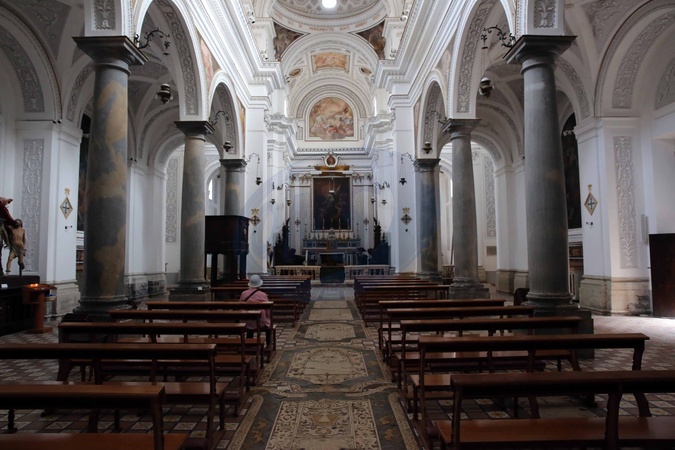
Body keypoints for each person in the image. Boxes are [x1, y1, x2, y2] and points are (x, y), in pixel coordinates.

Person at [239, 275, 271, 347]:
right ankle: (268, 344)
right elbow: (267, 309)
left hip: (247, 320)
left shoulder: (244, 293)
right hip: (260, 321)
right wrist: (268, 318)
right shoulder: (263, 295)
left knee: (250, 323)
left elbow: (240, 306)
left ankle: (249, 343)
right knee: (268, 325)